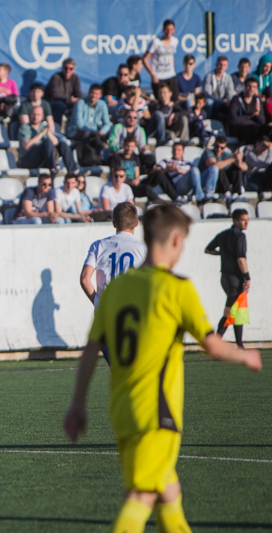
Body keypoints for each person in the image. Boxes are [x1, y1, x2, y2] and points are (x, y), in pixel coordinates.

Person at [65, 205, 261, 533]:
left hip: (123, 408)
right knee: (141, 497)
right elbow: (211, 344)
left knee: (169, 491)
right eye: (183, 243)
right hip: (157, 411)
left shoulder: (112, 293)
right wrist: (247, 356)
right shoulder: (175, 288)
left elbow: (90, 349)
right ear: (173, 240)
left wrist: (77, 404)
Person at [79, 201, 146, 316]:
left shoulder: (98, 245)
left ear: (114, 223)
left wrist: (97, 302)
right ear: (136, 223)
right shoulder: (143, 248)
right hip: (131, 309)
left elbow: (85, 278)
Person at [205, 209, 251, 349]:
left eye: (247, 219)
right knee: (229, 311)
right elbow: (241, 259)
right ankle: (215, 345)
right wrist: (247, 277)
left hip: (225, 278)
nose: (246, 222)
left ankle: (240, 345)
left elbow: (208, 249)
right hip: (235, 279)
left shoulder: (223, 235)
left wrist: (223, 254)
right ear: (235, 220)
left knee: (237, 311)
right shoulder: (240, 236)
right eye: (243, 219)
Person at [17, 106, 78, 175]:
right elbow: (27, 147)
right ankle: (53, 168)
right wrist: (41, 134)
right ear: (29, 114)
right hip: (27, 160)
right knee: (47, 142)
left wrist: (49, 133)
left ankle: (72, 172)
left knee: (62, 144)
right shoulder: (25, 128)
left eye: (38, 115)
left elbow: (56, 143)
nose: (35, 117)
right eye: (33, 114)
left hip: (43, 159)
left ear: (42, 116)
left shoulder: (43, 127)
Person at [109, 136, 158, 202]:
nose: (129, 148)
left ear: (135, 147)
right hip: (122, 184)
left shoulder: (135, 158)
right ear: (123, 145)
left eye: (132, 146)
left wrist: (136, 180)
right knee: (145, 189)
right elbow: (114, 176)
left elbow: (137, 174)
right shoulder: (116, 157)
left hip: (133, 185)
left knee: (156, 176)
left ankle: (162, 204)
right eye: (127, 146)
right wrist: (129, 182)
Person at [66, 84, 111, 151]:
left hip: (95, 133)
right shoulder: (80, 103)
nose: (93, 95)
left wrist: (101, 132)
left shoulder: (102, 105)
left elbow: (107, 124)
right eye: (92, 93)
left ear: (100, 95)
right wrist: (94, 132)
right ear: (88, 92)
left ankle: (100, 155)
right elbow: (79, 124)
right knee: (86, 134)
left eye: (96, 94)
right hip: (76, 131)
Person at [143, 19, 179, 101]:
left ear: (174, 30)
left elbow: (171, 56)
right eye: (167, 29)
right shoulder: (156, 42)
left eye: (171, 29)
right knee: (160, 101)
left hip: (170, 75)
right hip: (158, 76)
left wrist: (172, 70)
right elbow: (144, 59)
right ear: (163, 30)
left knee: (174, 100)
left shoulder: (175, 41)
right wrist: (152, 75)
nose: (169, 32)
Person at [45, 58, 83, 126]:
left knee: (79, 104)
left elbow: (78, 94)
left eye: (70, 69)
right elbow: (55, 95)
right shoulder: (56, 77)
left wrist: (78, 100)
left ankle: (76, 128)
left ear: (74, 69)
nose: (68, 70)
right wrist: (70, 99)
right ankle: (57, 127)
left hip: (67, 103)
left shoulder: (75, 78)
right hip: (53, 103)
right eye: (66, 68)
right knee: (59, 105)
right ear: (62, 68)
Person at [227, 76, 264, 144]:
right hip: (238, 129)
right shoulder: (236, 99)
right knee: (251, 128)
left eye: (254, 87)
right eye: (249, 86)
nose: (251, 89)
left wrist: (257, 113)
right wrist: (251, 116)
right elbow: (233, 120)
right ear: (244, 86)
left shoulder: (257, 100)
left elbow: (263, 121)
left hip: (255, 127)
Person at [203, 56, 235, 122]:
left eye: (224, 65)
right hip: (213, 101)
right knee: (209, 102)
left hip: (224, 102)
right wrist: (220, 101)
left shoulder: (228, 78)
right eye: (220, 64)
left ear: (227, 66)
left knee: (232, 104)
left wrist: (227, 100)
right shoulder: (209, 76)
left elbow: (230, 93)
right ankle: (206, 122)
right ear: (216, 64)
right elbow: (207, 94)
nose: (222, 67)